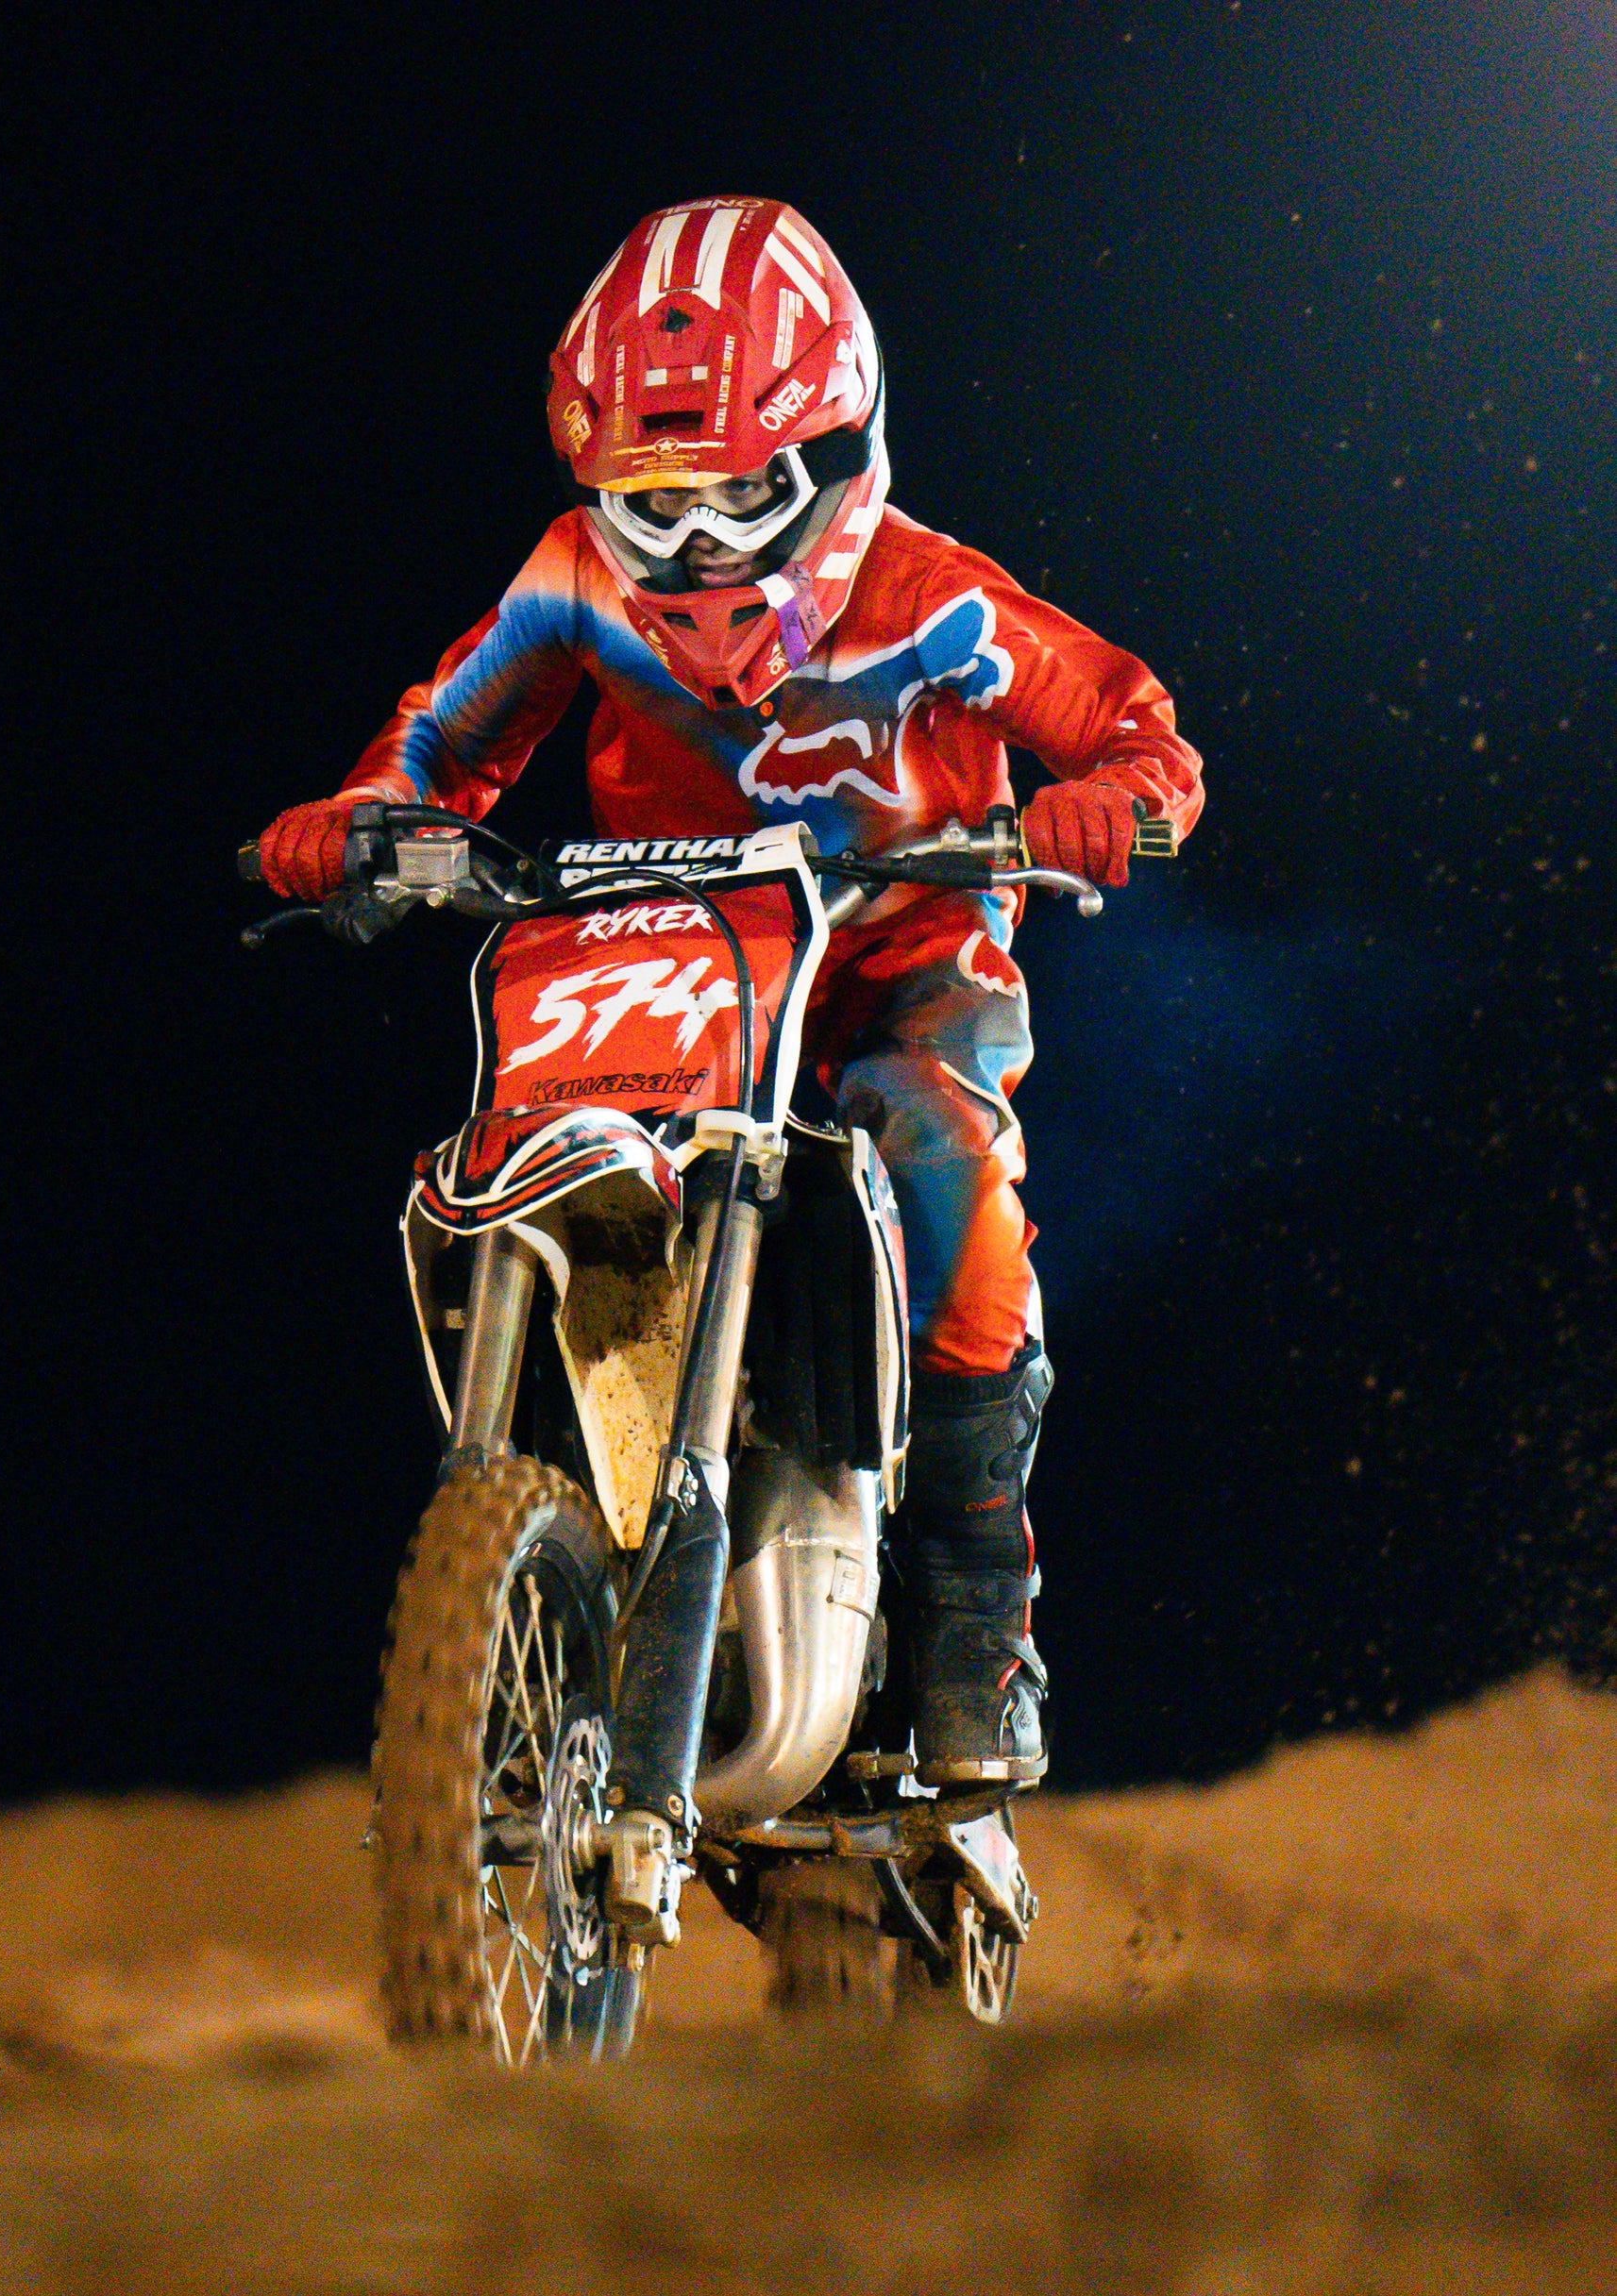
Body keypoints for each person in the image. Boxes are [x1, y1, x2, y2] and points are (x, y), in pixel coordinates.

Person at [259, 198, 1204, 1788]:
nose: (694, 546)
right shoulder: (572, 580)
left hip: (899, 967)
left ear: (835, 458)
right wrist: (361, 820)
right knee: (532, 1149)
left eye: (739, 493)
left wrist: (1119, 795)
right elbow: (443, 739)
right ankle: (557, 1535)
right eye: (651, 500)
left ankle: (978, 1627)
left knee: (947, 1173)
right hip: (674, 967)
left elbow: (1127, 718)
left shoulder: (932, 596)